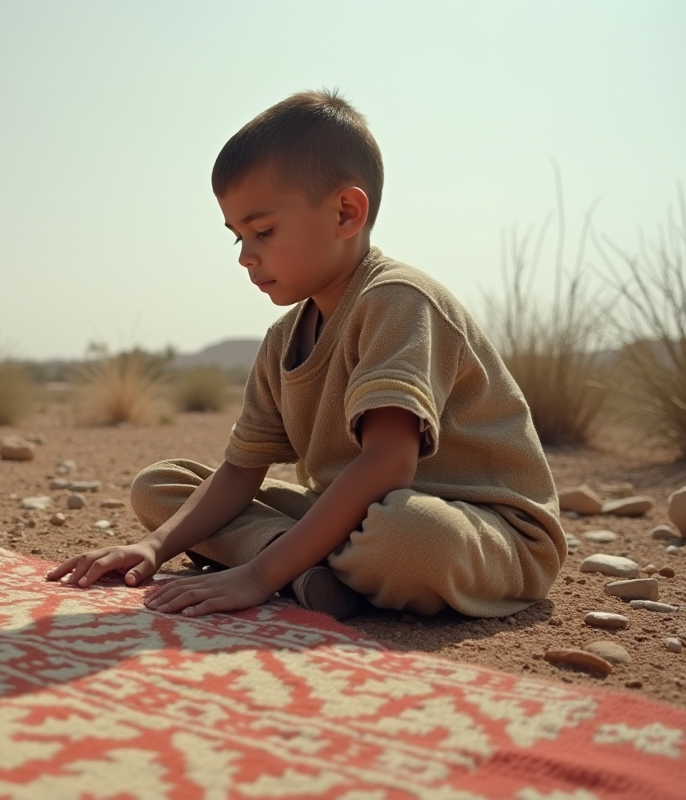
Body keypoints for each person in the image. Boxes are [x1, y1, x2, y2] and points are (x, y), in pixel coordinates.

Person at [46, 89, 566, 620]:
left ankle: (291, 563)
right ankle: (317, 572)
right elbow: (240, 471)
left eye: (264, 231)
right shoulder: (281, 339)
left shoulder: (397, 301)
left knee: (408, 535)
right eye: (237, 238)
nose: (247, 256)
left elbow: (390, 463)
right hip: (353, 511)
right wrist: (153, 548)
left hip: (481, 529)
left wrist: (258, 574)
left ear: (346, 212)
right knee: (161, 485)